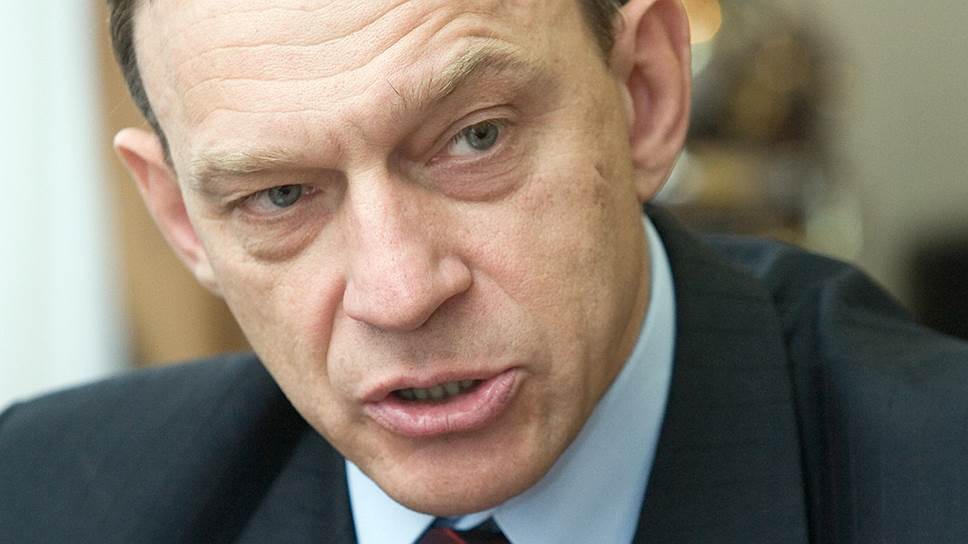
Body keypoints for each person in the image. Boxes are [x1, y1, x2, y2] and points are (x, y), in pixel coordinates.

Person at [1, 0, 967, 542]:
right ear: (182, 221)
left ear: (644, 95)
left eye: (475, 138)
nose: (399, 294)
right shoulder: (45, 498)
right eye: (280, 195)